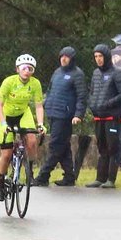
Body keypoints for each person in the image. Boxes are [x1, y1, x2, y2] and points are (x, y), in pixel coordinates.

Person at [0, 53, 45, 201]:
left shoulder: (35, 84)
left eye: (30, 69)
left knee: (32, 140)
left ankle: (29, 169)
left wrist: (40, 124)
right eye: (24, 68)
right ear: (17, 69)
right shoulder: (9, 82)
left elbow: (39, 106)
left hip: (23, 114)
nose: (27, 71)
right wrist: (3, 124)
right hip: (5, 115)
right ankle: (1, 180)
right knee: (7, 154)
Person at [35, 46, 86, 187]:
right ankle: (70, 177)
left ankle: (43, 176)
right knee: (63, 146)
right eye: (62, 56)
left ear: (72, 58)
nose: (63, 58)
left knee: (55, 145)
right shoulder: (57, 72)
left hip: (65, 115)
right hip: (53, 112)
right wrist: (45, 104)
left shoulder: (77, 74)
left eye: (67, 56)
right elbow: (50, 90)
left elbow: (82, 96)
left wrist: (78, 114)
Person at [86, 43, 121, 188]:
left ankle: (111, 179)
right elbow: (92, 92)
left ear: (106, 57)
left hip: (112, 117)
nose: (98, 59)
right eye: (96, 56)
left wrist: (108, 104)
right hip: (99, 117)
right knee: (101, 148)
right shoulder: (95, 73)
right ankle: (100, 178)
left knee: (112, 148)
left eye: (100, 56)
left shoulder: (117, 73)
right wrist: (92, 104)